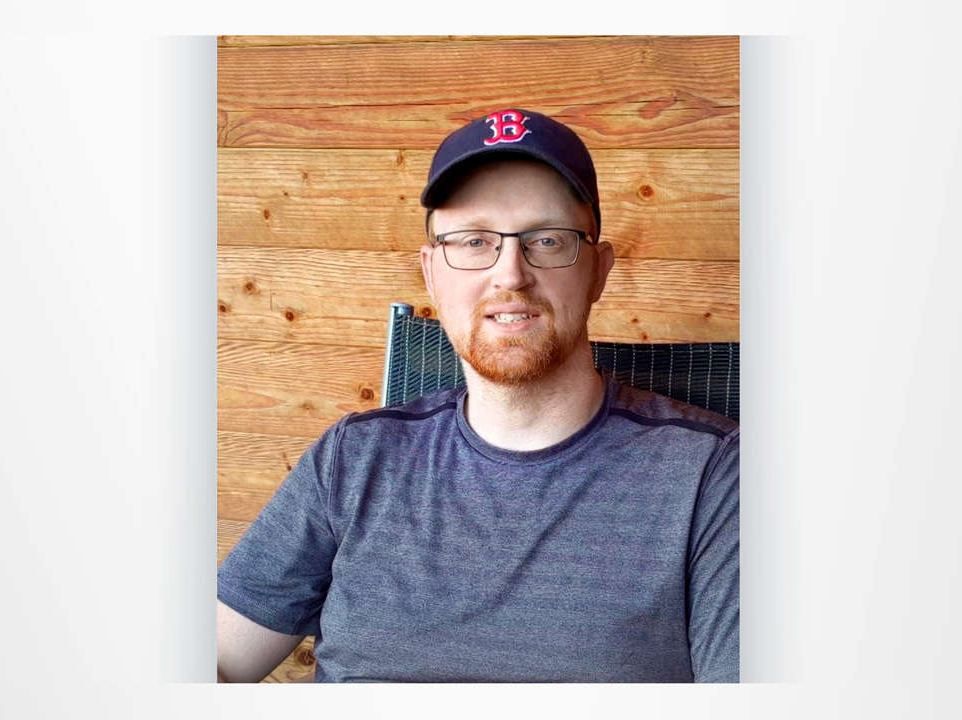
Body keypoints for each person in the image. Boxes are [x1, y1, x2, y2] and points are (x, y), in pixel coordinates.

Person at [217, 109, 739, 683]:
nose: (510, 275)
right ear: (431, 273)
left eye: (547, 239)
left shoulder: (714, 476)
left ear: (598, 271)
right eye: (473, 241)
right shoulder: (353, 459)